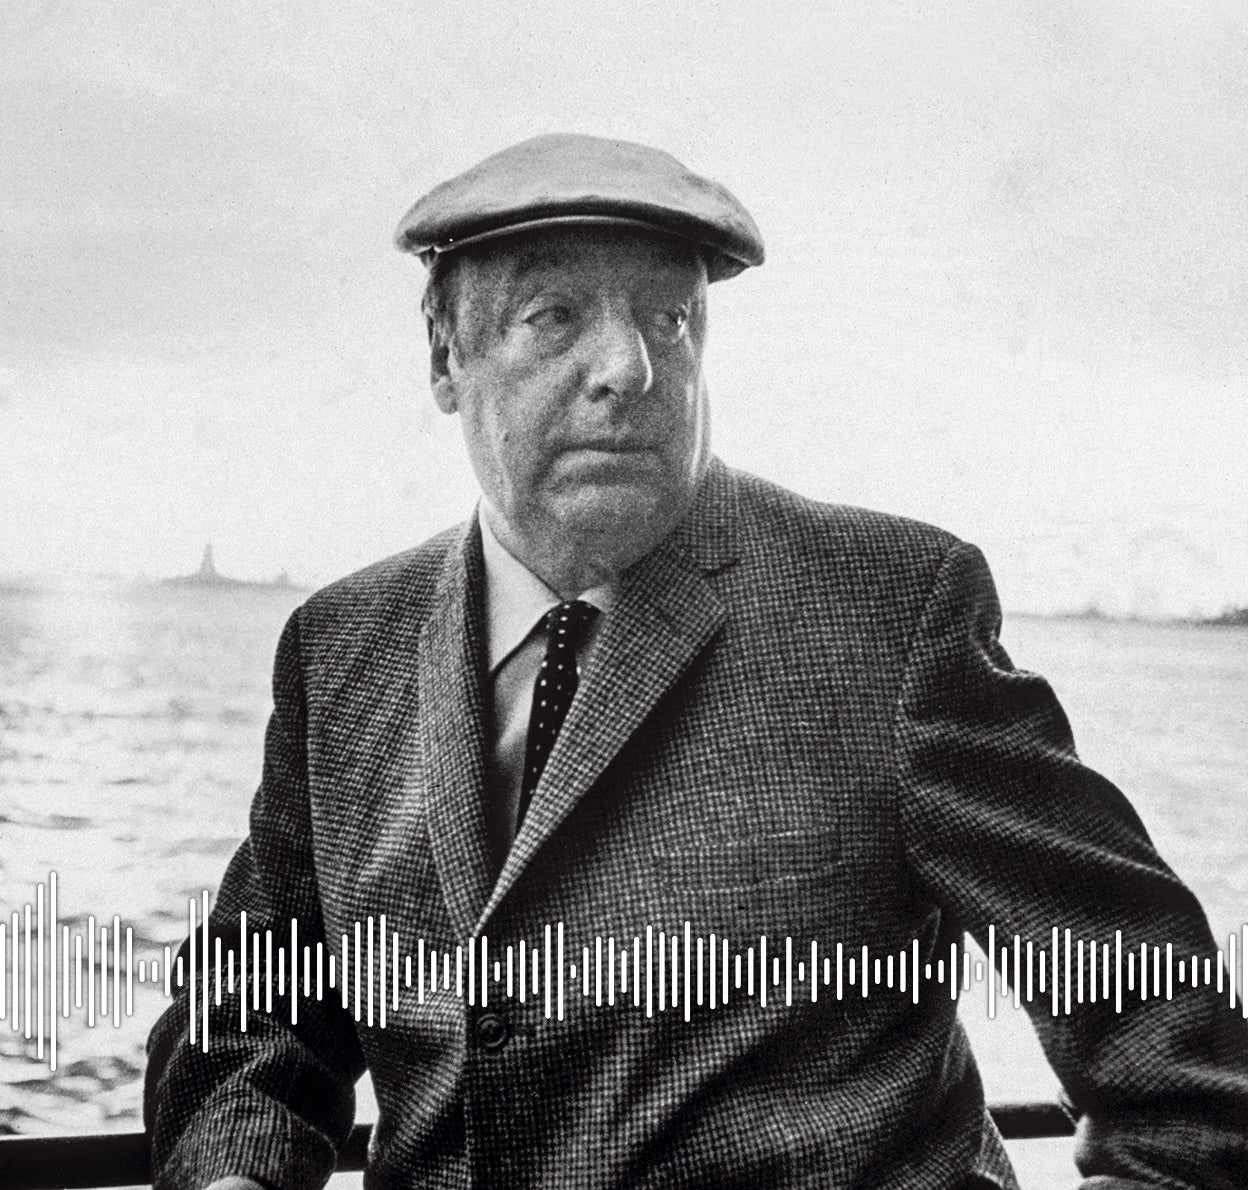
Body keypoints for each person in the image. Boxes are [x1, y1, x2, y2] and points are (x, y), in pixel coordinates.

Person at [144, 133, 1248, 1190]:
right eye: (554, 316)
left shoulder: (891, 611)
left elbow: (1181, 1064)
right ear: (445, 357)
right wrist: (238, 1167)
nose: (630, 367)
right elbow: (253, 1010)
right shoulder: (342, 647)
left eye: (669, 318)